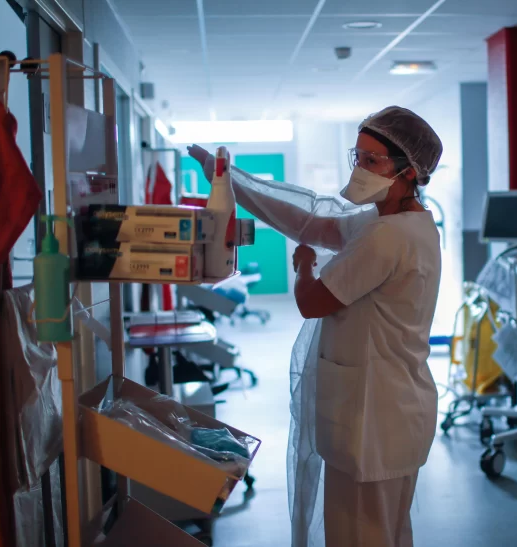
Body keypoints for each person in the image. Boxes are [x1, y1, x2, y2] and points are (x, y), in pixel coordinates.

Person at [188, 105, 443, 547]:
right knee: (387, 533)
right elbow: (310, 222)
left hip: (373, 419)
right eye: (357, 157)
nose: (360, 169)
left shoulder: (388, 235)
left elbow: (312, 302)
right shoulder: (403, 223)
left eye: (372, 160)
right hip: (392, 412)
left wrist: (304, 265)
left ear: (409, 171)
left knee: (362, 536)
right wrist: (228, 179)